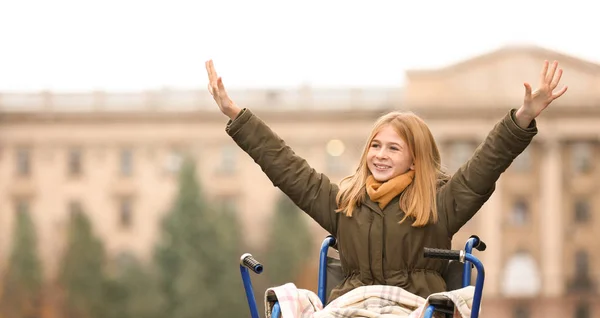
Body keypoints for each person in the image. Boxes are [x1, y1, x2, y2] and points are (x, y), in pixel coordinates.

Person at [205, 59, 567, 303]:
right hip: (351, 315)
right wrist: (237, 117)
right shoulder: (345, 203)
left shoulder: (439, 204)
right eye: (375, 145)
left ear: (415, 157)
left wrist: (522, 118)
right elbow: (288, 168)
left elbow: (486, 165)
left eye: (393, 148)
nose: (379, 154)